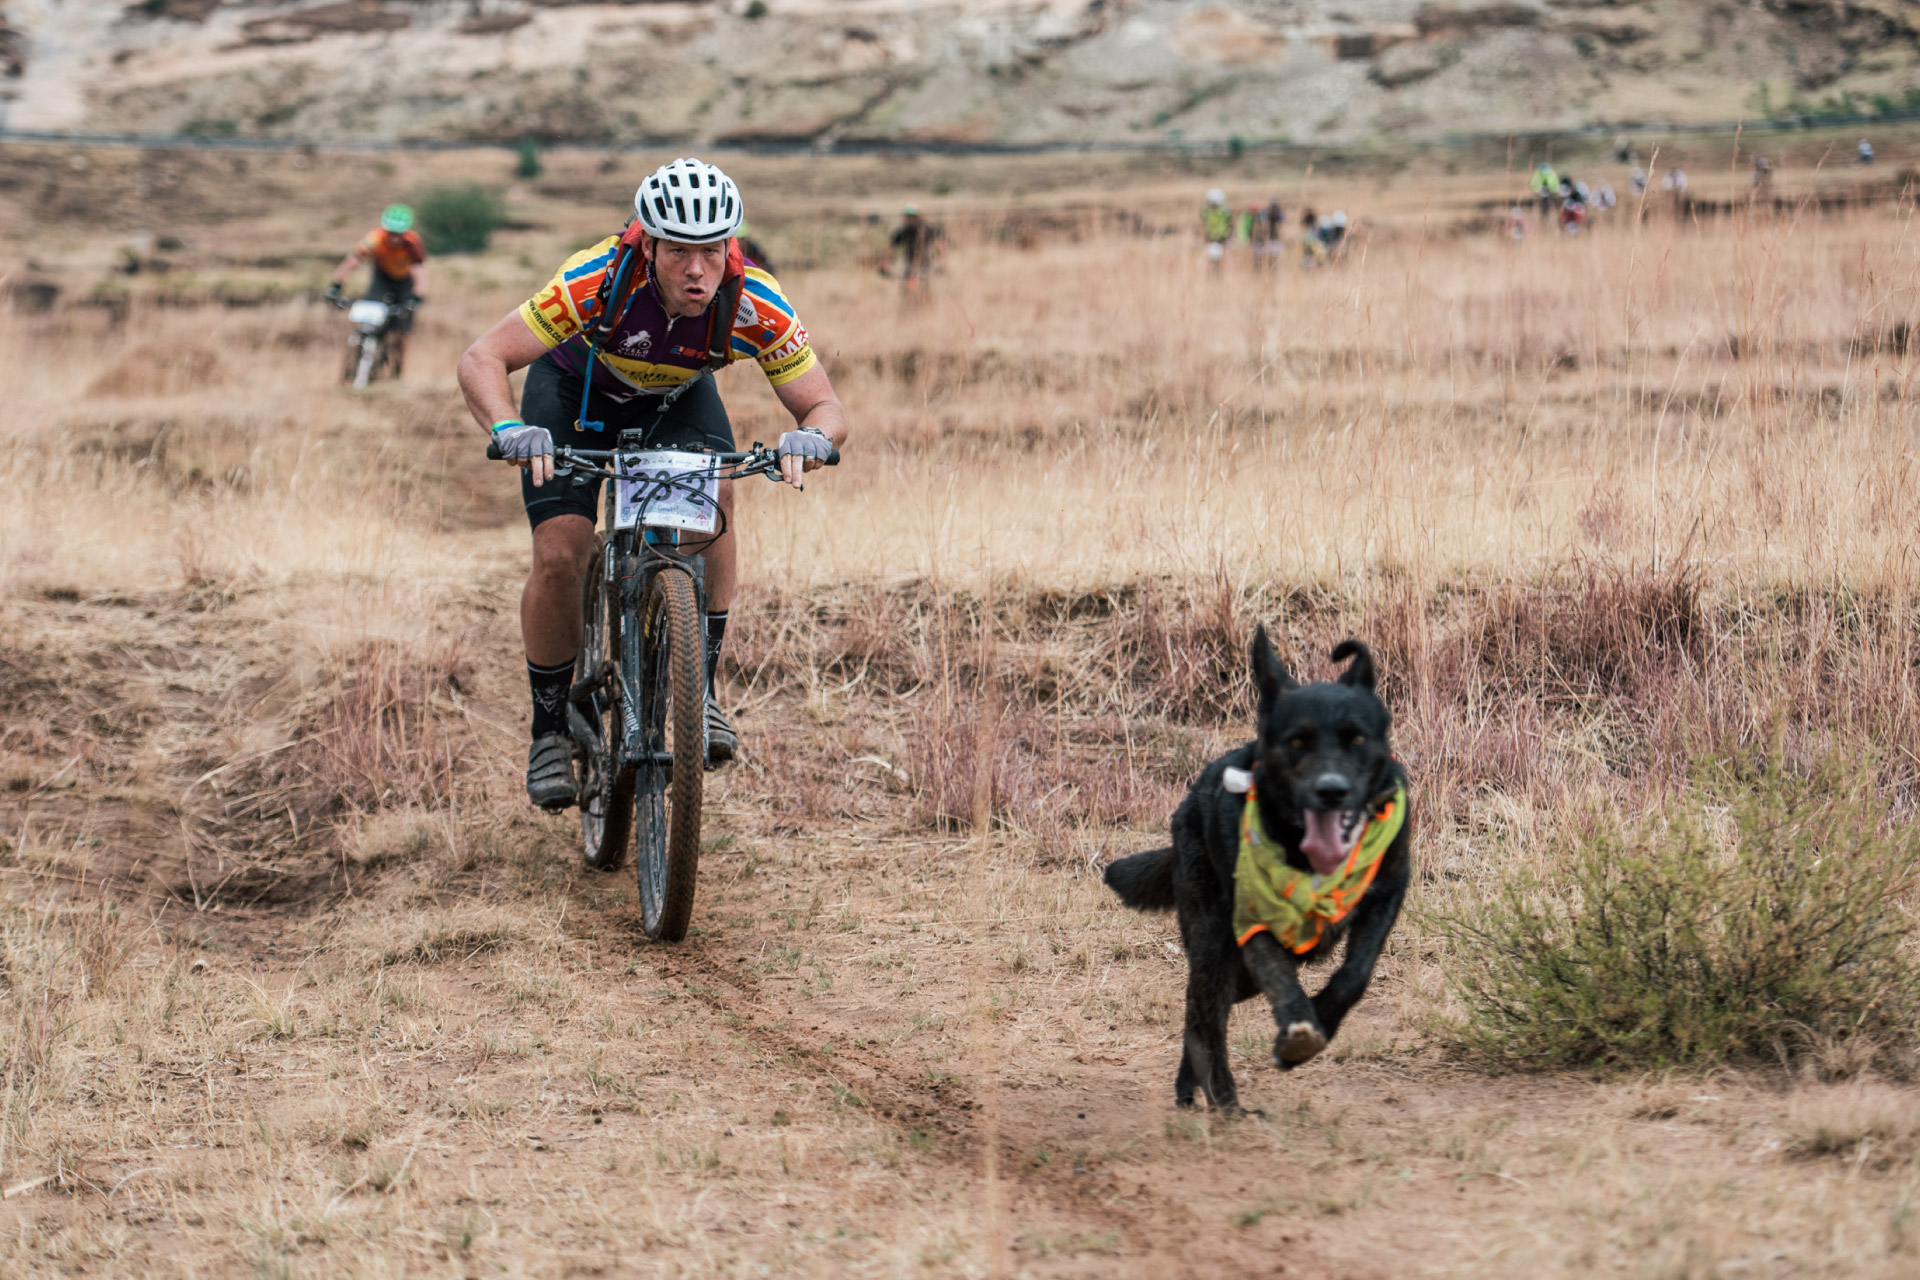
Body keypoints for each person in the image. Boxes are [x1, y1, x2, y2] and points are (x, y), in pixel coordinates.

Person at [454, 158, 850, 808]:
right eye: (678, 251)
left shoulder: (754, 301)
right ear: (649, 243)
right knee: (560, 552)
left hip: (674, 400)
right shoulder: (597, 278)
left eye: (712, 251)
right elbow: (483, 357)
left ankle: (702, 690)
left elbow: (825, 407)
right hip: (575, 392)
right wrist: (507, 426)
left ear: (731, 247)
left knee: (719, 494)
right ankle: (549, 729)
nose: (697, 269)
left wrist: (810, 437)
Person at [327, 204, 428, 375]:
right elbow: (352, 262)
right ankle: (355, 361)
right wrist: (336, 285)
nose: (395, 238)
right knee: (368, 318)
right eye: (391, 233)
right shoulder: (375, 238)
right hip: (382, 279)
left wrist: (417, 296)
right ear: (385, 229)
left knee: (403, 330)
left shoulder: (413, 242)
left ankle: (398, 369)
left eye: (399, 234)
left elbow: (420, 273)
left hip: (405, 282)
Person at [889, 205, 938, 289]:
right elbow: (890, 246)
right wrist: (885, 263)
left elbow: (940, 244)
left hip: (925, 264)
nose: (910, 219)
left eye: (913, 216)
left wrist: (942, 263)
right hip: (909, 265)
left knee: (925, 288)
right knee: (906, 288)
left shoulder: (927, 230)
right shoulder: (903, 231)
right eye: (908, 216)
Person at [1202, 189, 1231, 266]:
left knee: (1218, 261)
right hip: (1211, 240)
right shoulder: (1206, 213)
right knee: (1212, 260)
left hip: (1220, 240)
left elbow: (1227, 227)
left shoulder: (1224, 213)